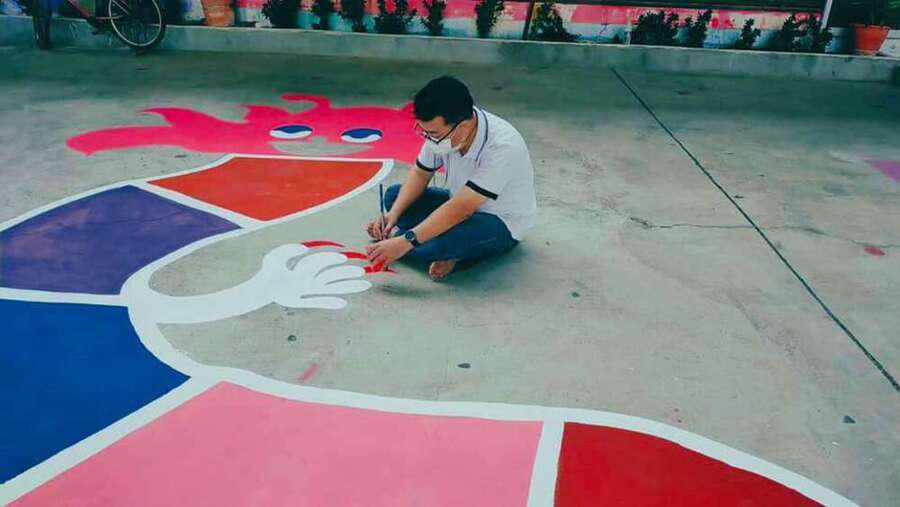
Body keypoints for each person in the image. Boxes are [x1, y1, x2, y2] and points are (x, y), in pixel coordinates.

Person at [365, 76, 537, 281]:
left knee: (442, 244)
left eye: (434, 134)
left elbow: (462, 209)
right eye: (424, 132)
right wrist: (392, 216)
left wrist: (404, 241)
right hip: (456, 202)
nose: (429, 139)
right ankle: (436, 248)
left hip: (499, 222)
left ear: (462, 127)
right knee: (394, 196)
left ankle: (444, 251)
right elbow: (421, 173)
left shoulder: (503, 147)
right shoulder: (443, 132)